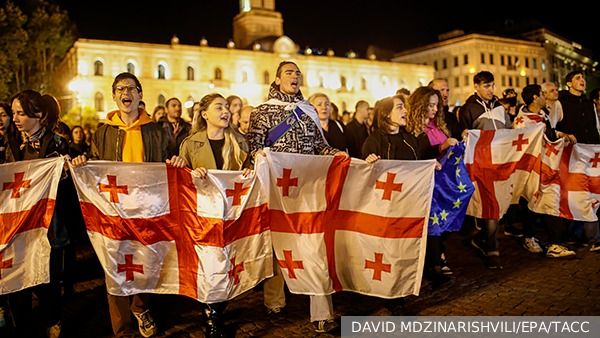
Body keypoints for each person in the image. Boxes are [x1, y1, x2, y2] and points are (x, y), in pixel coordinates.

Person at [72, 72, 187, 338]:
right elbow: (96, 165)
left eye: (131, 88)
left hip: (147, 208)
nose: (126, 92)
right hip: (114, 211)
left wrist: (177, 162)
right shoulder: (103, 132)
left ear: (139, 95)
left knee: (146, 262)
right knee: (113, 264)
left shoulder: (157, 130)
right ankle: (121, 327)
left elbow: (170, 159)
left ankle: (141, 307)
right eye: (120, 89)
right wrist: (82, 164)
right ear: (114, 96)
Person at [247, 61, 348, 333]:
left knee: (314, 245)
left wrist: (336, 155)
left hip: (308, 186)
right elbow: (254, 148)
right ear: (278, 78)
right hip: (278, 188)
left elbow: (319, 146)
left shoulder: (309, 110)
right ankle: (275, 302)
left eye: (298, 73)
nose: (295, 76)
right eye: (289, 72)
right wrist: (259, 156)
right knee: (279, 245)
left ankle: (322, 313)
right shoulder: (263, 111)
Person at [179, 93, 249, 337]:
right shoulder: (190, 144)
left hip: (231, 213)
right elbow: (181, 181)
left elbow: (249, 173)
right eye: (219, 107)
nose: (225, 111)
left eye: (227, 107)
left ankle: (217, 308)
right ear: (205, 113)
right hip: (204, 214)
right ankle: (211, 316)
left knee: (226, 262)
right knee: (209, 264)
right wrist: (186, 171)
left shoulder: (240, 142)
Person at [5, 90, 74, 338]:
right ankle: (21, 325)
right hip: (19, 226)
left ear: (39, 115)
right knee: (18, 279)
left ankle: (52, 318)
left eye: (21, 113)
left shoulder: (58, 144)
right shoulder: (12, 145)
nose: (15, 119)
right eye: (13, 113)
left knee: (48, 279)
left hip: (49, 227)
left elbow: (66, 188)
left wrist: (67, 170)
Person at [513, 84, 577, 258]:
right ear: (535, 97)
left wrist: (560, 135)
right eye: (542, 94)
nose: (544, 96)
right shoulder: (523, 120)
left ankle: (543, 239)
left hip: (545, 165)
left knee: (541, 201)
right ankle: (550, 242)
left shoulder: (541, 115)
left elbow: (548, 133)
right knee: (540, 200)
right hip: (533, 168)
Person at [458, 71, 510, 269]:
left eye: (492, 85)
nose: (491, 90)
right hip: (481, 164)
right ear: (476, 87)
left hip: (499, 163)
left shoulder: (499, 106)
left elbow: (509, 131)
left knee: (497, 203)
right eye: (486, 86)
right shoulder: (468, 109)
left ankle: (481, 238)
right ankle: (491, 249)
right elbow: (463, 134)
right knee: (490, 205)